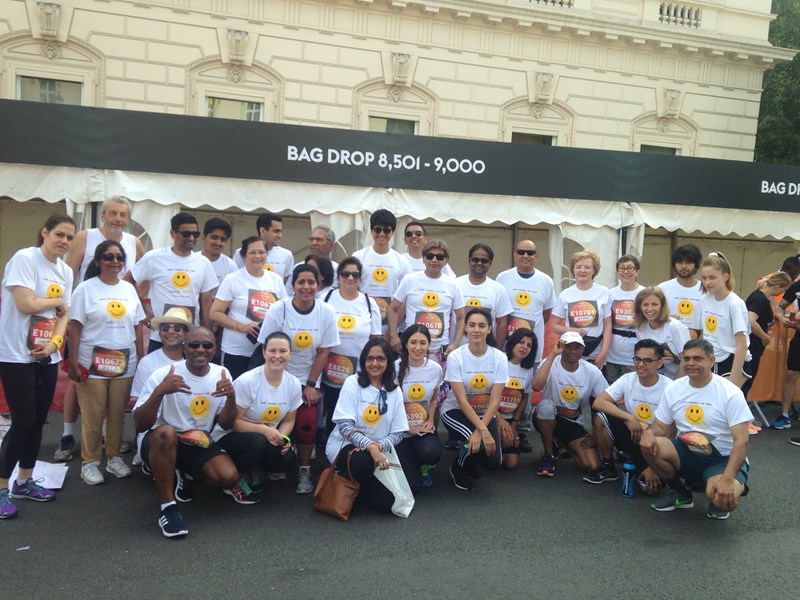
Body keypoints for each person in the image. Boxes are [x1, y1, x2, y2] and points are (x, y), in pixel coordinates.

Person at [57, 196, 144, 462]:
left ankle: (112, 450)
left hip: (120, 343)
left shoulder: (134, 245)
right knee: (82, 393)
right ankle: (70, 438)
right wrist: (63, 309)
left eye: (123, 215)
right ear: (103, 215)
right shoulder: (85, 237)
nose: (118, 219)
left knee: (116, 410)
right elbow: (69, 273)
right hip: (88, 327)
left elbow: (142, 277)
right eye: (113, 213)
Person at [0, 213, 75, 519]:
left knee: (38, 421)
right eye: (59, 234)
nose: (64, 241)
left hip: (47, 356)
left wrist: (55, 344)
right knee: (22, 421)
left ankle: (24, 481)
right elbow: (25, 303)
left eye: (69, 238)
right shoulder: (26, 259)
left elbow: (64, 316)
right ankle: (2, 488)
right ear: (44, 232)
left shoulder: (65, 271)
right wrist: (54, 302)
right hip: (15, 355)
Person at [133, 327, 239, 538]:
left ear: (215, 349)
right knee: (166, 433)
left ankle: (184, 472)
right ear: (184, 347)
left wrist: (231, 398)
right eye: (194, 345)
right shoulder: (165, 374)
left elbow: (226, 424)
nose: (200, 349)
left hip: (196, 440)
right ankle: (168, 508)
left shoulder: (222, 373)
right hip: (159, 440)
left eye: (207, 345)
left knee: (228, 477)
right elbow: (140, 424)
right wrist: (160, 392)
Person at [640, 339, 751, 520]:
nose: (691, 363)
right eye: (687, 358)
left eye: (698, 358)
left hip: (721, 460)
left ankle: (734, 483)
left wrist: (727, 479)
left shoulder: (730, 392)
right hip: (688, 452)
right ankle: (680, 493)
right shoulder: (674, 388)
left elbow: (742, 441)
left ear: (711, 361)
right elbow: (660, 426)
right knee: (651, 444)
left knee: (722, 499)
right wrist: (648, 433)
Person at [256, 263, 340, 494]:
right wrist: (276, 380)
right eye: (301, 282)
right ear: (292, 285)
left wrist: (310, 384)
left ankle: (304, 470)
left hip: (308, 377)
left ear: (318, 285)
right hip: (278, 373)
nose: (306, 287)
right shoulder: (279, 309)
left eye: (311, 282)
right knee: (271, 418)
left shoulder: (326, 311)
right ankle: (274, 461)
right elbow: (268, 347)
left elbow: (324, 351)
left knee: (307, 422)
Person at [67, 240, 145, 485]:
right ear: (98, 261)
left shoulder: (129, 289)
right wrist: (72, 363)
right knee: (93, 414)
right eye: (109, 257)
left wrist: (140, 358)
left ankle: (114, 458)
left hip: (124, 363)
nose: (115, 262)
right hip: (92, 364)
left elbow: (137, 325)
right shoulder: (85, 289)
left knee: (116, 414)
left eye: (119, 257)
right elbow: (74, 328)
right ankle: (89, 463)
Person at [326, 339, 415, 513]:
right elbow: (345, 427)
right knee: (362, 462)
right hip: (346, 446)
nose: (375, 363)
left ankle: (362, 486)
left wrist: (378, 447)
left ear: (388, 362)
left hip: (380, 450)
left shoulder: (395, 391)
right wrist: (371, 448)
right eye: (370, 358)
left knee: (394, 498)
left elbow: (398, 433)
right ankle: (347, 477)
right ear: (363, 361)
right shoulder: (352, 382)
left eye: (380, 358)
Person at [213, 332, 301, 504]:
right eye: (272, 350)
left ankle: (256, 468)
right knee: (257, 443)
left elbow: (289, 420)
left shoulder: (293, 383)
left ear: (290, 354)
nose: (277, 356)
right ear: (264, 352)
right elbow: (233, 423)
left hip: (264, 435)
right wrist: (264, 430)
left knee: (287, 459)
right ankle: (237, 477)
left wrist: (282, 438)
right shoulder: (248, 381)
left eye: (283, 351)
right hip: (230, 436)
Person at [125, 212, 218, 353]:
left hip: (190, 338)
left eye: (195, 234)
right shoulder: (155, 257)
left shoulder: (203, 262)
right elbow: (128, 280)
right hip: (160, 336)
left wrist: (206, 335)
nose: (191, 238)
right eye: (186, 234)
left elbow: (206, 301)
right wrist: (142, 312)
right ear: (172, 233)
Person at [440, 308, 508, 491]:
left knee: (494, 462)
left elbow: (495, 401)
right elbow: (462, 401)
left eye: (481, 326)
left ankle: (471, 457)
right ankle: (459, 466)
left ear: (489, 329)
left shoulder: (499, 358)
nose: (476, 330)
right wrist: (481, 431)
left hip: (484, 413)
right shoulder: (456, 357)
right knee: (470, 437)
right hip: (455, 411)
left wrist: (482, 430)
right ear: (465, 328)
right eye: (472, 325)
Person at [591, 339, 671, 491]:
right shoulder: (627, 379)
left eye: (647, 360)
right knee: (601, 417)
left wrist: (653, 467)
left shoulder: (669, 387)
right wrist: (629, 418)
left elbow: (671, 429)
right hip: (634, 432)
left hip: (655, 441)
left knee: (650, 489)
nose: (641, 364)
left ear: (659, 363)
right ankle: (609, 467)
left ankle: (643, 462)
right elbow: (599, 402)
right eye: (637, 359)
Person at [531, 331, 608, 479]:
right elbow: (536, 386)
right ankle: (548, 455)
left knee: (592, 465)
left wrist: (595, 434)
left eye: (577, 347)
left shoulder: (592, 371)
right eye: (568, 346)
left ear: (583, 349)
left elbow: (606, 402)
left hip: (573, 422)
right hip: (547, 417)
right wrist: (553, 354)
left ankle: (562, 443)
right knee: (545, 407)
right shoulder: (549, 362)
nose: (573, 350)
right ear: (561, 347)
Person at [210, 236, 286, 380]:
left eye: (261, 252)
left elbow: (283, 312)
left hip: (265, 352)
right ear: (244, 256)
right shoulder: (232, 279)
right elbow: (214, 313)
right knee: (233, 389)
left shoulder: (275, 279)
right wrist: (241, 326)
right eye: (253, 252)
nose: (258, 256)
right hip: (235, 350)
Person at [320, 257, 381, 436]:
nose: (350, 278)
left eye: (355, 275)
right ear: (338, 276)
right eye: (345, 274)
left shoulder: (369, 303)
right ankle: (330, 448)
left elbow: (375, 341)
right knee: (331, 410)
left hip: (359, 371)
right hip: (329, 368)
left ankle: (352, 447)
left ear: (360, 278)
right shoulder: (326, 298)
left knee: (354, 413)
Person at [128, 308, 190, 466]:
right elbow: (139, 407)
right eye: (165, 328)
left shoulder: (194, 362)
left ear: (185, 334)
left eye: (177, 328)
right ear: (160, 332)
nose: (171, 332)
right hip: (157, 429)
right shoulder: (147, 363)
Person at [388, 239, 465, 361]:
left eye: (439, 257)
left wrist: (455, 343)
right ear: (423, 258)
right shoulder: (409, 280)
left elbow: (460, 317)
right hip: (411, 347)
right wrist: (393, 335)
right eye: (430, 256)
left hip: (439, 350)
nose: (434, 260)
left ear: (446, 260)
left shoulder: (454, 284)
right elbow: (393, 308)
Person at [396, 325, 444, 485]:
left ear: (429, 345)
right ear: (406, 344)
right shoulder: (394, 368)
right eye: (413, 342)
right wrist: (408, 427)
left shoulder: (435, 369)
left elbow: (434, 399)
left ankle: (422, 463)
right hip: (399, 431)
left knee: (431, 452)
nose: (418, 347)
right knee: (412, 484)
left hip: (422, 428)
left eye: (423, 343)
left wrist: (430, 420)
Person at [550, 250, 613, 369]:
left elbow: (608, 325)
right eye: (578, 267)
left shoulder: (604, 292)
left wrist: (604, 352)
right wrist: (572, 330)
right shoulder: (565, 294)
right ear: (573, 270)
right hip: (571, 351)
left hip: (595, 353)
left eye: (587, 267)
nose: (582, 270)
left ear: (594, 270)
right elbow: (553, 326)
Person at [495, 239, 556, 360]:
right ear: (515, 255)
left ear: (536, 256)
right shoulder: (502, 277)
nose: (525, 256)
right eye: (521, 252)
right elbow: (497, 312)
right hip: (506, 345)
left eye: (530, 253)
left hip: (532, 348)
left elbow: (546, 314)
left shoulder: (546, 281)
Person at [352, 209, 410, 333]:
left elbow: (404, 301)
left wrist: (391, 332)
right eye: (378, 230)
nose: (382, 234)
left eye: (387, 230)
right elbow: (351, 291)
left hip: (389, 329)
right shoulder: (358, 257)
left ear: (393, 232)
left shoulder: (402, 262)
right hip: (363, 325)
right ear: (371, 231)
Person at [699, 252, 750, 389]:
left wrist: (733, 380)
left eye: (712, 277)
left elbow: (742, 345)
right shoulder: (705, 300)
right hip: (711, 360)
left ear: (725, 277)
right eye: (704, 278)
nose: (707, 282)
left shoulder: (735, 304)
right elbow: (706, 333)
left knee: (724, 399)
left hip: (732, 361)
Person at [743, 271, 791, 400]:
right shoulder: (760, 300)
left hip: (752, 346)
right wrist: (765, 337)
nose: (783, 293)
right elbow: (750, 321)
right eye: (784, 290)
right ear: (778, 286)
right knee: (745, 383)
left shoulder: (758, 296)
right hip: (752, 346)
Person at [455, 243, 513, 349]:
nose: (479, 263)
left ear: (490, 263)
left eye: (484, 261)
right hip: (457, 350)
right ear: (469, 261)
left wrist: (498, 350)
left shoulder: (499, 289)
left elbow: (502, 323)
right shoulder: (455, 284)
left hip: (487, 350)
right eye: (475, 260)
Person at [497, 328, 537, 470]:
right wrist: (500, 420)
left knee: (511, 463)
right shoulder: (499, 361)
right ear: (513, 343)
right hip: (492, 416)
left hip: (511, 419)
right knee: (495, 458)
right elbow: (487, 395)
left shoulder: (528, 369)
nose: (524, 347)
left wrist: (514, 424)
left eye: (529, 345)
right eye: (521, 342)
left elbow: (524, 398)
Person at [633, 286, 690, 380]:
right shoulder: (641, 328)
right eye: (645, 304)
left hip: (682, 378)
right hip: (660, 378)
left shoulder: (674, 326)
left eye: (654, 304)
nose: (650, 309)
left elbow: (687, 359)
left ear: (662, 306)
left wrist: (675, 385)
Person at [605, 255, 644, 384]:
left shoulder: (644, 293)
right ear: (617, 272)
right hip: (612, 354)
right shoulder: (610, 294)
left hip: (635, 353)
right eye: (622, 268)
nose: (625, 271)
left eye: (629, 268)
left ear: (637, 271)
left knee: (632, 388)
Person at [771, 271, 800, 429]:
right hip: (798, 337)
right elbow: (779, 308)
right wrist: (783, 320)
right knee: (790, 374)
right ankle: (784, 415)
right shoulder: (796, 287)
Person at [234, 212, 294, 282]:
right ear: (262, 231)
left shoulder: (287, 255)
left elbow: (284, 283)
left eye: (281, 231)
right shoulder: (240, 253)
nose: (280, 236)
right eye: (276, 231)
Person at [658, 244, 703, 336]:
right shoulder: (662, 289)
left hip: (697, 343)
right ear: (674, 264)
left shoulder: (706, 291)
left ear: (696, 264)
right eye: (679, 262)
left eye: (688, 262)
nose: (683, 266)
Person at [199, 217, 237, 288]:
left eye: (223, 239)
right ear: (203, 237)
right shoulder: (191, 261)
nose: (218, 243)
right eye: (214, 237)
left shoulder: (231, 266)